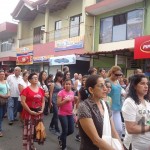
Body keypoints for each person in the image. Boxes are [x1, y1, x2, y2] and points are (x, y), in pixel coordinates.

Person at [77, 75, 122, 150]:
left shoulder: (106, 105)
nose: (105, 89)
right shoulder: (84, 107)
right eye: (101, 86)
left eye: (105, 85)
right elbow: (96, 140)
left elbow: (114, 132)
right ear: (91, 90)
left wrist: (121, 146)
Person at [122, 74, 150, 150]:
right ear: (134, 86)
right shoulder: (130, 102)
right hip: (135, 145)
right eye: (142, 83)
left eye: (147, 83)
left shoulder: (147, 102)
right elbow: (130, 128)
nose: (146, 86)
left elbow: (146, 121)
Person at [20, 73, 45, 150]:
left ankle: (32, 146)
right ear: (30, 80)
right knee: (29, 132)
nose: (36, 79)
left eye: (37, 77)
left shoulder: (41, 90)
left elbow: (43, 101)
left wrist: (42, 110)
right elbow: (23, 102)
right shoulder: (26, 90)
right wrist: (30, 111)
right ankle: (28, 147)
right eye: (34, 78)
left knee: (36, 131)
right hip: (29, 113)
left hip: (38, 113)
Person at [57, 79, 78, 150]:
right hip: (62, 114)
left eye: (69, 84)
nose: (68, 85)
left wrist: (75, 100)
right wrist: (65, 101)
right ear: (64, 85)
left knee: (71, 130)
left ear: (71, 85)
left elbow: (72, 103)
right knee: (65, 130)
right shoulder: (61, 93)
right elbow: (58, 104)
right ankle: (64, 146)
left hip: (70, 114)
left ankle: (61, 137)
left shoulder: (72, 92)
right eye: (66, 84)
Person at [107, 66, 123, 138]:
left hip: (117, 107)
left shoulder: (117, 81)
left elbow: (119, 93)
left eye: (120, 75)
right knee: (109, 129)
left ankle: (116, 144)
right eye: (116, 74)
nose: (118, 76)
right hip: (109, 108)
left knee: (119, 129)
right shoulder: (106, 81)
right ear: (112, 73)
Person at [49, 71, 63, 136]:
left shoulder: (61, 83)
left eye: (61, 76)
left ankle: (51, 125)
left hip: (59, 100)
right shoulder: (53, 84)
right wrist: (50, 102)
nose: (60, 78)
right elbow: (51, 93)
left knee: (55, 114)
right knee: (57, 114)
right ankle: (57, 129)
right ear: (57, 76)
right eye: (59, 76)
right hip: (54, 100)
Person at [0, 70, 10, 137]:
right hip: (0, 100)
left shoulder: (6, 82)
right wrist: (3, 96)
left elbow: (9, 89)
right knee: (0, 115)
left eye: (3, 74)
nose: (2, 75)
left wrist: (8, 94)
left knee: (3, 115)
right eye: (1, 74)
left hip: (5, 101)